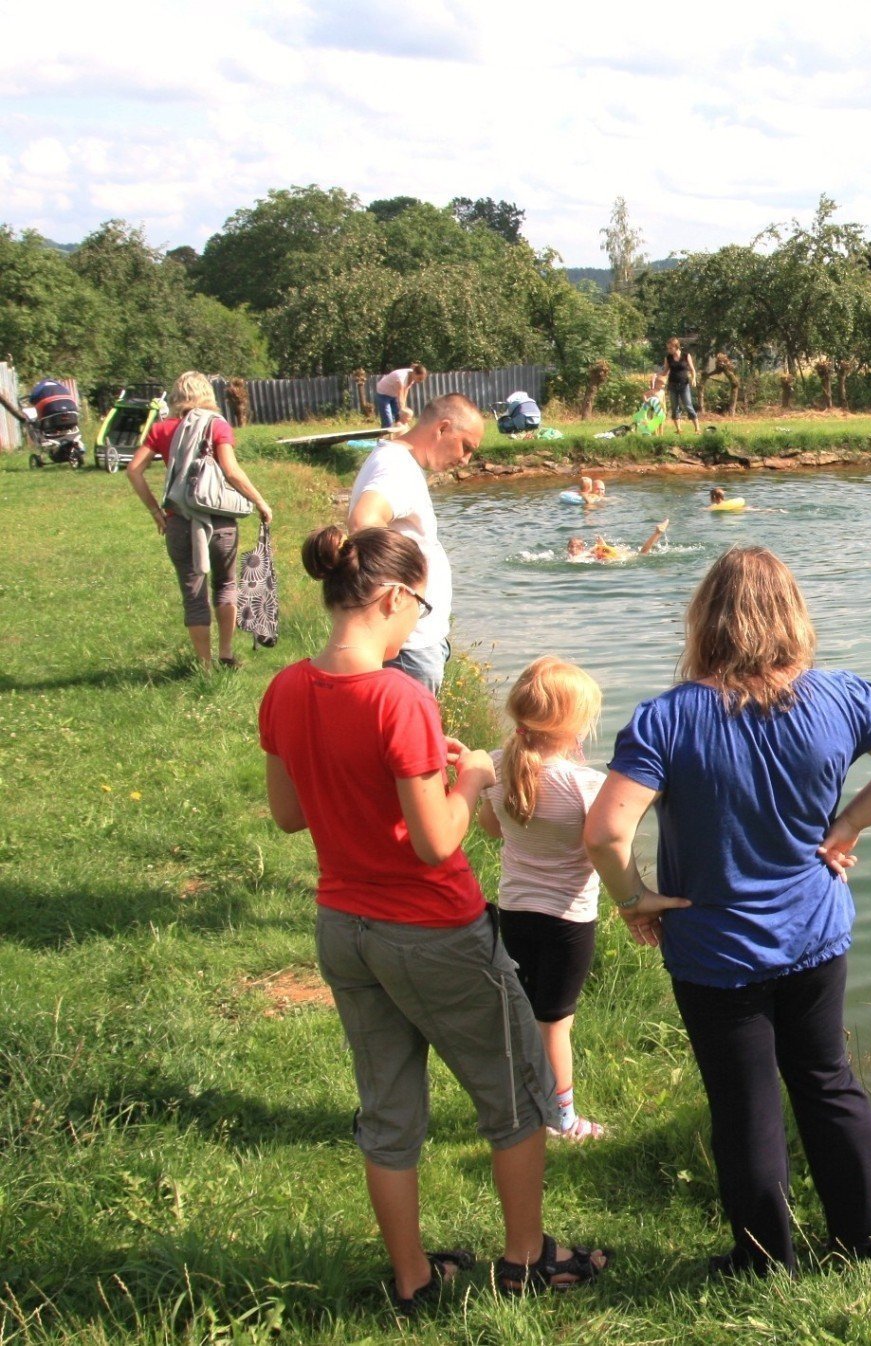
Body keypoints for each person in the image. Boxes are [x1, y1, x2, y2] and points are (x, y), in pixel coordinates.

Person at [260, 525, 609, 1310]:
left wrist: (404, 777)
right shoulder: (399, 695)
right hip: (432, 931)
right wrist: (475, 775)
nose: (421, 619)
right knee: (516, 1096)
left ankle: (414, 1281)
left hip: (343, 927)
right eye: (420, 604)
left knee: (388, 1112)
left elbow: (287, 814)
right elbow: (436, 841)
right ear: (391, 597)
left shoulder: (285, 687)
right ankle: (527, 1261)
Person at [584, 546, 871, 1277]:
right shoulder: (839, 697)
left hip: (717, 953)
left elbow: (603, 832)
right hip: (816, 934)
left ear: (706, 620)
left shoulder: (668, 718)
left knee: (744, 1104)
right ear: (793, 616)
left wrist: (635, 900)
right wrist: (848, 825)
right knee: (826, 1078)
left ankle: (763, 1264)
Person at [477, 658, 610, 1142]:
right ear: (575, 724)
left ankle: (522, 1096)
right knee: (556, 1021)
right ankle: (562, 1119)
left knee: (528, 1008)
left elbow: (492, 828)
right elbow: (602, 846)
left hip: (514, 910)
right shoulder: (585, 784)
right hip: (567, 920)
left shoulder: (495, 764)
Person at [125, 371, 275, 670]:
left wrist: (156, 511)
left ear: (177, 396)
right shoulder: (216, 425)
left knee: (193, 594)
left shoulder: (161, 429)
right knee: (226, 585)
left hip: (179, 522)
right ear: (207, 394)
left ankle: (204, 668)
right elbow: (231, 471)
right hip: (220, 521)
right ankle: (227, 654)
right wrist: (259, 501)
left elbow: (133, 470)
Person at [348, 394, 485, 694]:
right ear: (443, 428)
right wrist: (402, 594)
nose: (465, 460)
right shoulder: (397, 468)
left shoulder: (394, 459)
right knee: (407, 741)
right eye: (466, 447)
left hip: (412, 641)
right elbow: (363, 522)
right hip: (409, 649)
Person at [565, 521, 671, 563]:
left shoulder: (580, 555)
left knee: (642, 553)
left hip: (614, 556)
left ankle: (657, 533)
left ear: (581, 548)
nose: (571, 549)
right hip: (610, 554)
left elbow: (575, 560)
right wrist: (601, 545)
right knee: (641, 553)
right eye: (570, 547)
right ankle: (657, 533)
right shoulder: (585, 552)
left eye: (573, 547)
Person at [663, 338, 700, 434]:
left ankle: (697, 429)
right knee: (675, 407)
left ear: (676, 347)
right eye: (668, 348)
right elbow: (665, 371)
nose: (669, 350)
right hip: (672, 385)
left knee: (688, 406)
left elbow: (692, 370)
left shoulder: (686, 356)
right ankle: (679, 429)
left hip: (684, 385)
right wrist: (656, 376)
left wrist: (694, 379)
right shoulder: (668, 358)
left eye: (670, 348)